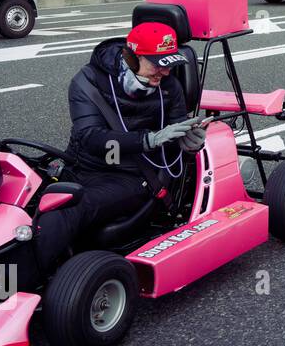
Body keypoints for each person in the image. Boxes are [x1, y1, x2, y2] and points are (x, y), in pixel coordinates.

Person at [35, 22, 203, 273]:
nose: (165, 73)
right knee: (20, 195)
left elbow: (177, 130)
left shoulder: (170, 87)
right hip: (82, 165)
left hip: (134, 175)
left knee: (65, 209)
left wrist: (190, 142)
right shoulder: (88, 81)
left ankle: (17, 284)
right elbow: (90, 136)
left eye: (169, 64)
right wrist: (147, 139)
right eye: (157, 64)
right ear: (132, 59)